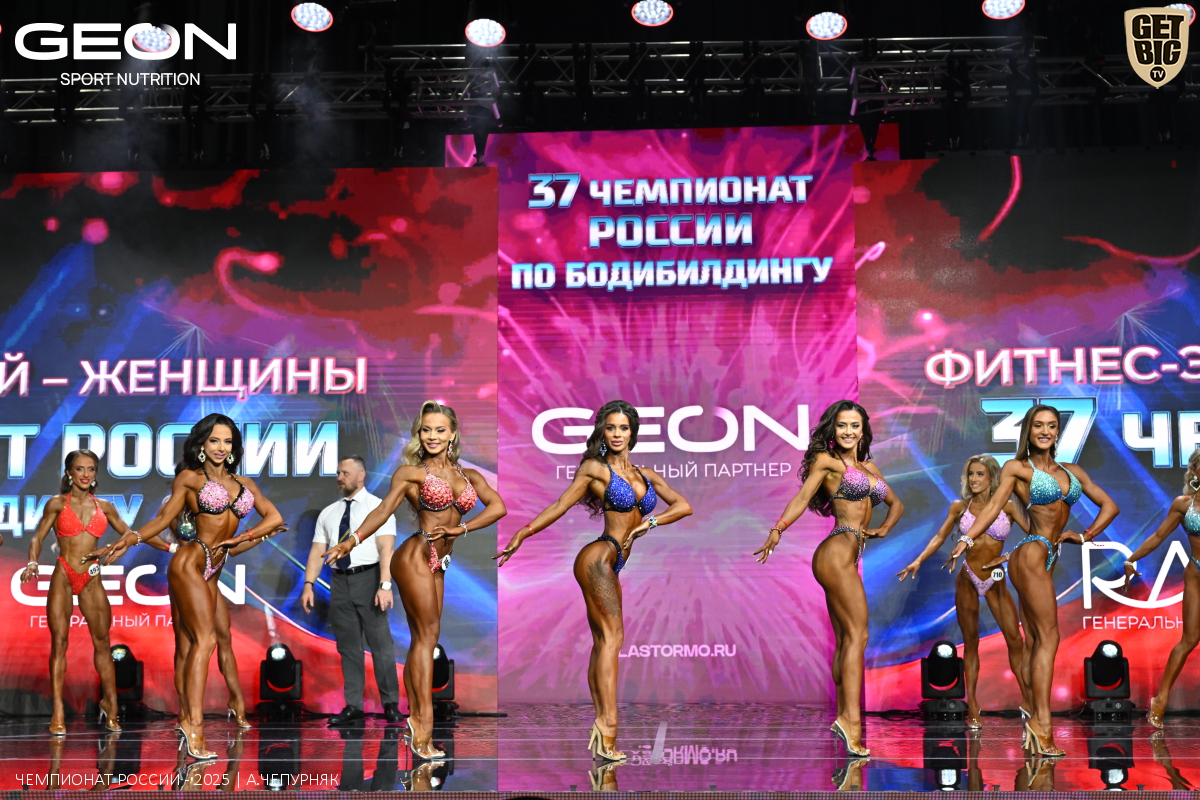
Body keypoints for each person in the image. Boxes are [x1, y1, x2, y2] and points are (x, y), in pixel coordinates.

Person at [494, 400, 693, 762]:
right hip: (598, 557)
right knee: (612, 640)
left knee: (604, 641)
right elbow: (560, 504)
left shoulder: (646, 474)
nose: (617, 434)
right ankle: (607, 725)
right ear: (602, 431)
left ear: (633, 433)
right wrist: (523, 533)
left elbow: (683, 506)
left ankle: (603, 725)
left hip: (613, 561)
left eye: (623, 428)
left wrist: (649, 523)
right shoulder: (595, 469)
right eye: (610, 427)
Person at [321, 401, 507, 760]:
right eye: (426, 430)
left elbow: (498, 507)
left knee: (428, 638)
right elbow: (382, 510)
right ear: (418, 434)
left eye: (440, 430)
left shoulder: (470, 476)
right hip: (415, 555)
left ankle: (418, 723)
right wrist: (351, 541)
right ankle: (422, 726)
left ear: (452, 434)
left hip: (441, 560)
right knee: (424, 638)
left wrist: (460, 529)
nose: (432, 436)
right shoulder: (410, 473)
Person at [94, 413, 285, 760]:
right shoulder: (190, 479)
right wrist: (129, 539)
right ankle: (193, 725)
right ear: (201, 445)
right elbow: (162, 520)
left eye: (227, 441)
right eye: (214, 440)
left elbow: (274, 518)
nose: (221, 447)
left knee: (208, 640)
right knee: (204, 640)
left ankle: (192, 718)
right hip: (190, 562)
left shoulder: (244, 483)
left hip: (215, 567)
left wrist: (243, 537)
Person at [946, 404, 1118, 756]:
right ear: (1028, 430)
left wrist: (1084, 536)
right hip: (1031, 552)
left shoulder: (1072, 471)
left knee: (1036, 639)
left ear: (1058, 432)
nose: (1045, 431)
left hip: (1048, 555)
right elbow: (993, 507)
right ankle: (1042, 722)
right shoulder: (1017, 468)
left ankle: (1031, 712)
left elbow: (1110, 506)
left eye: (1051, 426)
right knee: (1049, 637)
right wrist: (966, 539)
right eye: (1038, 425)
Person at [755, 399, 904, 757]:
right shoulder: (828, 461)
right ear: (833, 430)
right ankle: (851, 723)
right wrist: (778, 529)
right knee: (858, 635)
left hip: (848, 553)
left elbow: (896, 504)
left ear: (863, 431)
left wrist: (883, 528)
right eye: (842, 425)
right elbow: (802, 497)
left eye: (855, 425)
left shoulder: (869, 468)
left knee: (846, 640)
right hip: (835, 552)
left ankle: (844, 718)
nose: (849, 431)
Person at [897, 455, 1032, 728]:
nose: (974, 479)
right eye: (971, 474)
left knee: (1015, 641)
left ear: (992, 477)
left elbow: (1036, 537)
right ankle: (973, 707)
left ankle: (1029, 701)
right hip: (968, 578)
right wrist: (918, 560)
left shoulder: (1008, 507)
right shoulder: (959, 507)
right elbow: (939, 536)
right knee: (971, 644)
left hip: (995, 579)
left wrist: (1007, 557)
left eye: (980, 474)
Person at [19, 449, 142, 736]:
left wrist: (110, 549)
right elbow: (38, 536)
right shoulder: (56, 504)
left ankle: (110, 704)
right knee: (59, 643)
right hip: (64, 574)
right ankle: (58, 712)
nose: (86, 474)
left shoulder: (105, 507)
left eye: (91, 469)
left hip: (91, 578)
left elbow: (130, 535)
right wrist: (33, 562)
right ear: (69, 473)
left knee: (103, 643)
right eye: (80, 469)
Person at [301, 455, 403, 725]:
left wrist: (384, 585)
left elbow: (386, 549)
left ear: (361, 475)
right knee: (348, 648)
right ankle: (353, 706)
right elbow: (317, 552)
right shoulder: (328, 513)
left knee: (381, 645)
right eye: (338, 473)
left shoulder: (378, 507)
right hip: (339, 581)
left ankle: (390, 704)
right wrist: (309, 584)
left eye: (345, 473)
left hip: (369, 578)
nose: (339, 478)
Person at [1122, 447, 1200, 730]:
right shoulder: (1183, 504)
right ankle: (1161, 699)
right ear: (1195, 471)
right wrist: (1131, 559)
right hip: (1196, 573)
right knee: (1189, 639)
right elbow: (1157, 536)